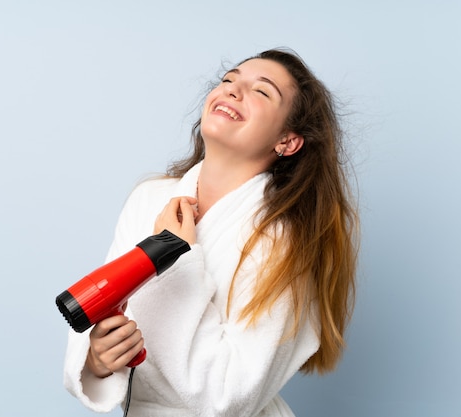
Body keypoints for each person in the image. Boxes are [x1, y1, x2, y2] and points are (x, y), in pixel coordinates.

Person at [63, 48, 358, 417]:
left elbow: (231, 396)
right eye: (229, 80)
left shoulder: (288, 240)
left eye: (262, 91)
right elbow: (104, 308)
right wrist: (98, 359)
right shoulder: (149, 198)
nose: (233, 91)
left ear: (287, 140)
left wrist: (173, 256)